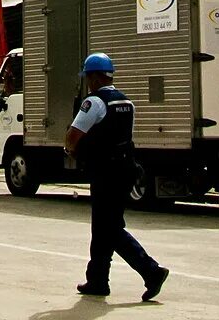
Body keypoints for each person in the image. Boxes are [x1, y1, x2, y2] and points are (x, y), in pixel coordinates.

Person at [64, 52, 169, 301]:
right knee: (103, 227)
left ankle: (151, 271)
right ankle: (97, 280)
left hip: (105, 172)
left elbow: (74, 134)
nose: (88, 82)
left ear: (94, 77)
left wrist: (70, 149)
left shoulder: (95, 102)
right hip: (125, 170)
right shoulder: (125, 102)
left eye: (88, 77)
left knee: (109, 228)